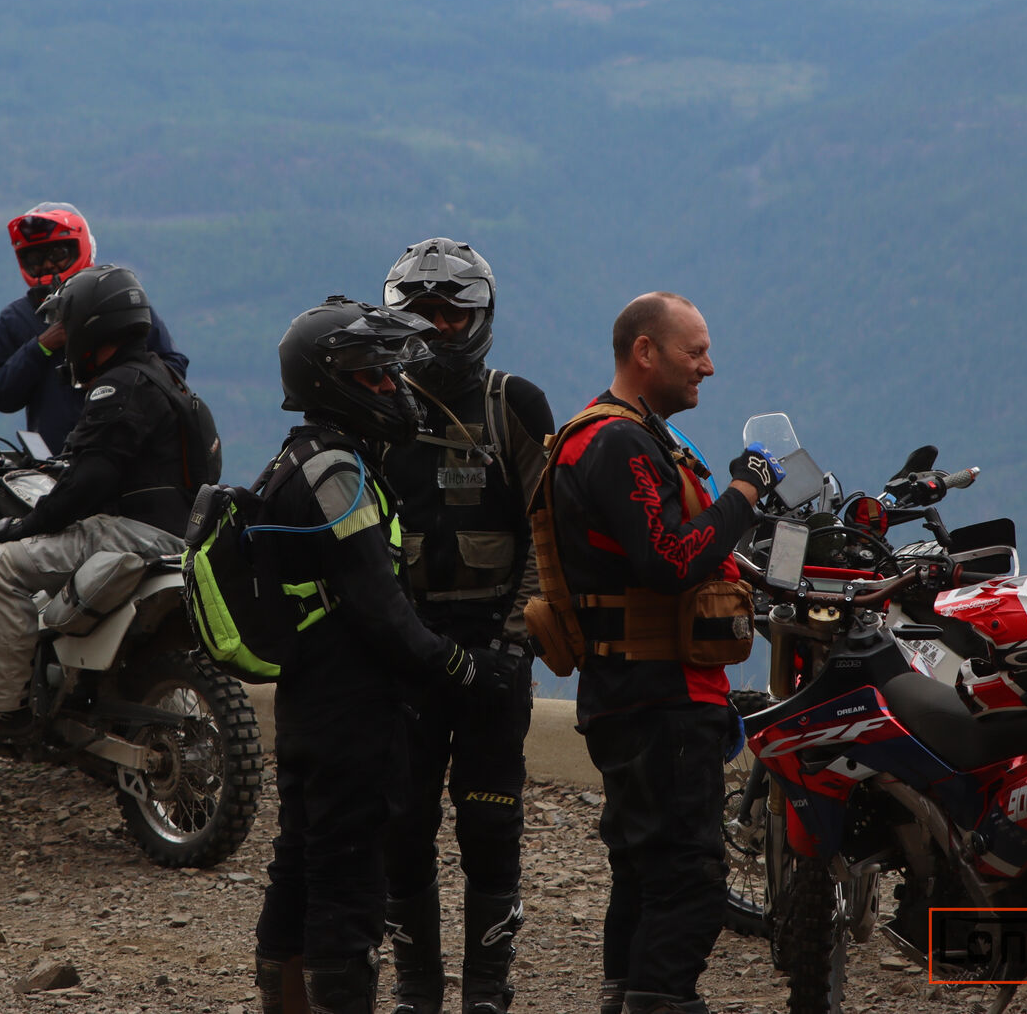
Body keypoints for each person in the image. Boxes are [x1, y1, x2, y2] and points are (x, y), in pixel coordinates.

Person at [252, 297, 521, 1014]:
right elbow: (381, 608)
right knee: (347, 885)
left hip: (310, 701)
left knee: (299, 865)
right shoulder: (336, 473)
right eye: (372, 375)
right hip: (349, 713)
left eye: (388, 372)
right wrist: (465, 668)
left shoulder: (298, 457)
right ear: (328, 382)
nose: (392, 386)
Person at [548, 292, 782, 1014]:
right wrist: (744, 491)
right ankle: (659, 1000)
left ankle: (625, 996)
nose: (708, 367)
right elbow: (670, 558)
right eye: (695, 351)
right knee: (688, 878)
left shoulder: (623, 436)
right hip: (660, 696)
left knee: (644, 872)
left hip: (630, 692)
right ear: (644, 352)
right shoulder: (619, 443)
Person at [377, 239, 554, 1014]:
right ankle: (416, 989)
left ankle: (486, 991)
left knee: (490, 821)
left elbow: (546, 536)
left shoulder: (514, 403)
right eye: (422, 312)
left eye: (454, 313)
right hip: (405, 650)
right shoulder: (377, 407)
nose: (439, 327)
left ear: (481, 318)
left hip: (493, 647)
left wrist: (514, 642)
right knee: (402, 823)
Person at [0, 264, 191, 747]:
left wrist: (26, 525)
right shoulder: (167, 380)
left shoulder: (116, 386)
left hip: (132, 531)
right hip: (175, 532)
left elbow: (87, 482)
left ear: (93, 328)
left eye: (69, 327)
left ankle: (6, 708)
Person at [0, 202, 187, 455]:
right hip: (55, 463)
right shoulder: (16, 318)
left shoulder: (119, 302)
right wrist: (42, 346)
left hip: (127, 453)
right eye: (35, 258)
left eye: (57, 253)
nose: (48, 265)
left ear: (79, 247)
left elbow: (173, 369)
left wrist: (117, 382)